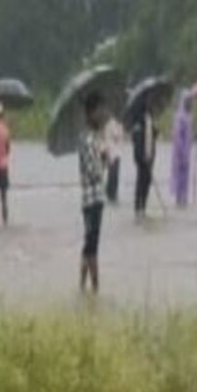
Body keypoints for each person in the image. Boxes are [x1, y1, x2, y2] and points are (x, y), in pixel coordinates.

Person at [78, 91, 109, 296]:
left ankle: (81, 287)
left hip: (93, 198)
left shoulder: (91, 137)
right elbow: (95, 172)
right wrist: (104, 158)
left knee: (88, 243)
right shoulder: (89, 140)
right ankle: (95, 289)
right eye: (98, 110)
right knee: (92, 245)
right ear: (91, 113)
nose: (102, 114)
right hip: (92, 199)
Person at [130, 92, 159, 218]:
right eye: (147, 99)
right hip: (141, 156)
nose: (149, 102)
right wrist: (141, 156)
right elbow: (135, 139)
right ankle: (138, 208)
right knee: (140, 181)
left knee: (147, 181)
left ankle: (144, 207)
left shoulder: (150, 116)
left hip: (150, 153)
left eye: (150, 99)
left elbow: (151, 134)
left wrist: (155, 132)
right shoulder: (137, 118)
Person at [170, 89, 195, 210]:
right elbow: (177, 136)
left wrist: (195, 137)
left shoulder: (189, 116)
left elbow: (190, 134)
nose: (190, 103)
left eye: (191, 100)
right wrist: (182, 153)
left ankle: (184, 199)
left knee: (186, 178)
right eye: (188, 101)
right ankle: (179, 200)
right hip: (179, 153)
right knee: (179, 177)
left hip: (187, 152)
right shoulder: (179, 117)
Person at [102, 110, 124, 206]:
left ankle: (114, 193)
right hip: (111, 152)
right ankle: (110, 193)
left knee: (116, 174)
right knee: (112, 174)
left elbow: (121, 137)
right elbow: (116, 136)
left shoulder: (119, 124)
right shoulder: (110, 123)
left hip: (118, 152)